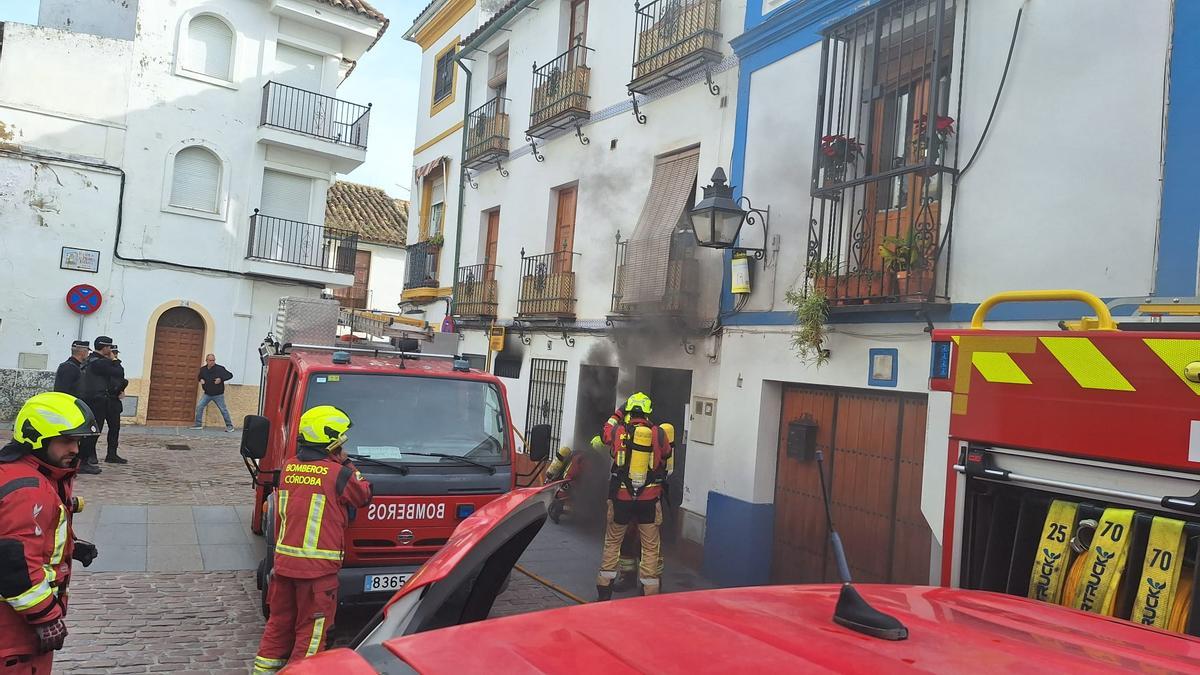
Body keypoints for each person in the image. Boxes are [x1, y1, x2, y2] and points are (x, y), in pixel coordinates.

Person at [252, 405, 372, 673]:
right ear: (331, 441)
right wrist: (347, 463)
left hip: (283, 566)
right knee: (312, 635)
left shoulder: (289, 467)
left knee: (279, 625)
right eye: (342, 440)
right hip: (317, 572)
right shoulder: (339, 473)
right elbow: (363, 495)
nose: (345, 444)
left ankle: (263, 671)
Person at [0, 392, 101, 673]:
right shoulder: (29, 490)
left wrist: (72, 547)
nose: (76, 449)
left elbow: (29, 539)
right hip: (12, 636)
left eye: (78, 441)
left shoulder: (31, 475)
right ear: (37, 439)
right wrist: (46, 617)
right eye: (67, 440)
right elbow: (14, 567)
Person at [596, 393, 674, 600]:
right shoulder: (658, 434)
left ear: (629, 412)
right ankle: (649, 592)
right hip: (649, 499)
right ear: (648, 413)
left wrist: (617, 414)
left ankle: (604, 591)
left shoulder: (619, 431)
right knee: (650, 547)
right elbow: (666, 455)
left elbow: (605, 432)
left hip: (621, 498)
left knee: (613, 543)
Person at [76, 336, 127, 472]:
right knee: (93, 432)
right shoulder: (100, 363)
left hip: (94, 400)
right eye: (109, 347)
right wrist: (114, 359)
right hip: (97, 401)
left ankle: (85, 460)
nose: (110, 350)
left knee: (94, 431)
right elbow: (119, 372)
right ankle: (83, 462)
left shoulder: (92, 360)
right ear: (104, 347)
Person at [192, 354, 235, 432]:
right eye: (210, 360)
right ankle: (198, 425)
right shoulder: (203, 369)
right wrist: (201, 380)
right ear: (207, 361)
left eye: (213, 360)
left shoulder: (220, 369)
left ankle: (230, 426)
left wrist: (221, 379)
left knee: (223, 410)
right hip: (207, 394)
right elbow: (199, 377)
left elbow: (230, 375)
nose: (212, 362)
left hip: (218, 394)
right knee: (199, 406)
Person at [103, 347, 130, 465]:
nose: (116, 356)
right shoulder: (103, 365)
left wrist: (121, 389)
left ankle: (112, 454)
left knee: (114, 429)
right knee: (95, 428)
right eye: (114, 354)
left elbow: (120, 379)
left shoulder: (117, 366)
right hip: (103, 399)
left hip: (114, 401)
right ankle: (89, 455)